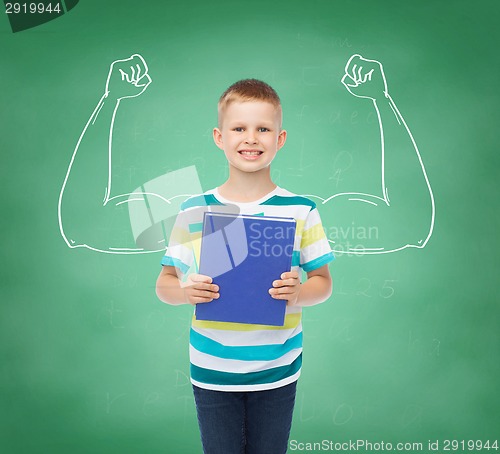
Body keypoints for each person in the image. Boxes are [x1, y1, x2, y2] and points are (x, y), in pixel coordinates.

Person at [155, 79, 334, 453]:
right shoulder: (194, 209)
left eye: (262, 129)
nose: (251, 139)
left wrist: (300, 293)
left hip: (278, 368)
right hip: (212, 369)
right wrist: (186, 292)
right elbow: (165, 284)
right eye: (239, 128)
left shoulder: (302, 209)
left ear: (280, 138)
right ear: (219, 137)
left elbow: (323, 282)